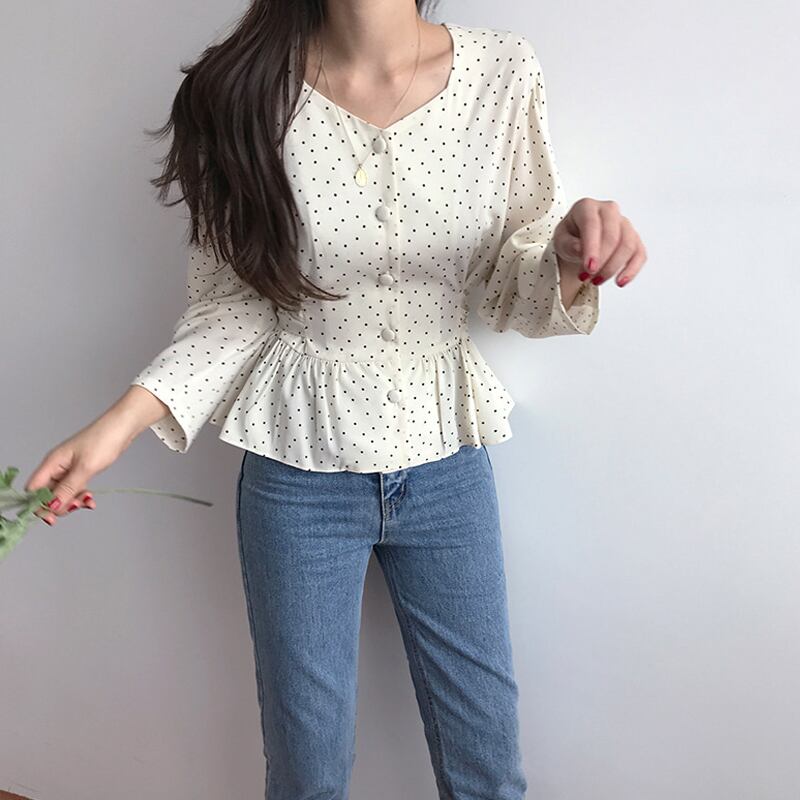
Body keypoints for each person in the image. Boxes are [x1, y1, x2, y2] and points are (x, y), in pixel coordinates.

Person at [25, 2, 647, 797]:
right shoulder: (237, 90)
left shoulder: (503, 72)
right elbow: (234, 307)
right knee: (307, 770)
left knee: (488, 770)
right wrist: (116, 427)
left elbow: (506, 280)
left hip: (447, 459)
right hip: (296, 470)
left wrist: (565, 253)